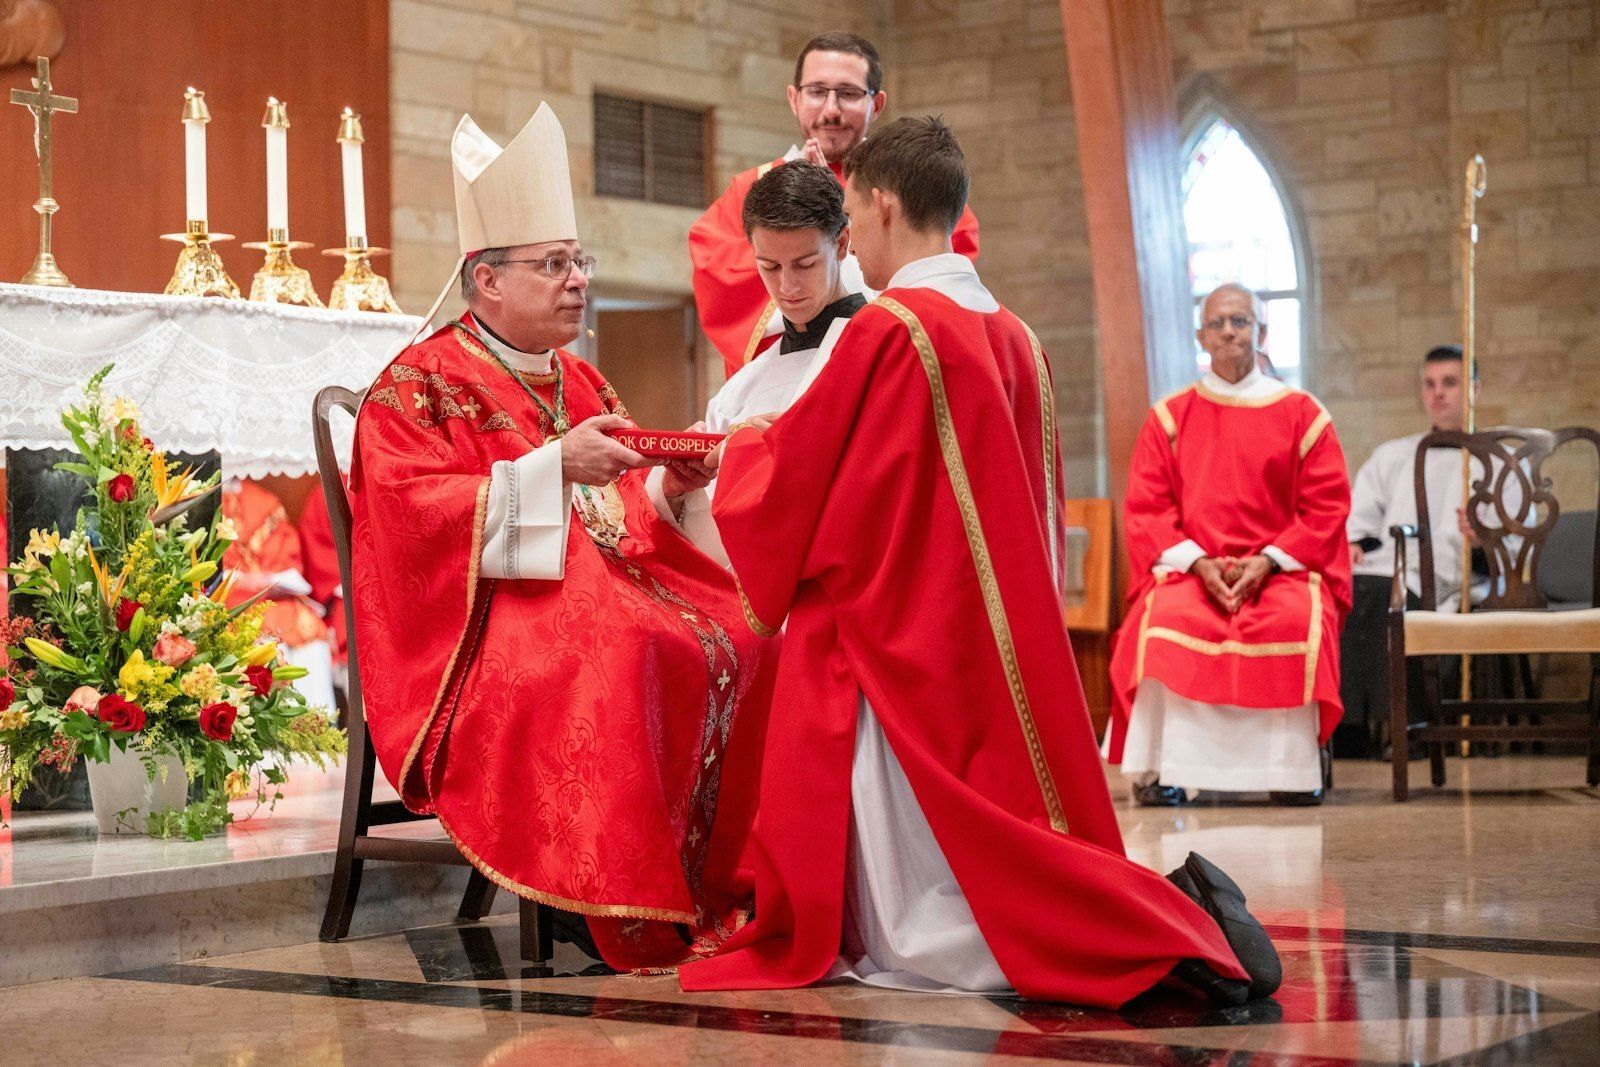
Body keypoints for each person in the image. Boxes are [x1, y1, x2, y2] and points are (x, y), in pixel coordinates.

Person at [679, 117, 1278, 1008]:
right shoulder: (1014, 333)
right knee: (1016, 838)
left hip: (901, 649)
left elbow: (802, 487)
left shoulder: (892, 329)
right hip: (994, 647)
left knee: (928, 923)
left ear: (880, 205)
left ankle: (1151, 932)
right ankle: (1158, 919)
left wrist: (732, 457)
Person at [348, 104, 775, 971]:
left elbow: (618, 514)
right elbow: (407, 520)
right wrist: (552, 466)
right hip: (486, 626)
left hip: (598, 585)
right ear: (486, 280)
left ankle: (710, 884)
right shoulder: (417, 384)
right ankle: (597, 892)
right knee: (620, 646)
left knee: (745, 630)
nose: (577, 279)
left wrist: (664, 480)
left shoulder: (581, 377)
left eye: (579, 261)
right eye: (553, 264)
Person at [1105, 283, 1353, 807]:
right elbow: (1147, 508)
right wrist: (1199, 564)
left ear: (1261, 332)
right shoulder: (1171, 417)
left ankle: (1289, 772)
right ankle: (1166, 771)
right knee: (1165, 620)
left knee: (1295, 619)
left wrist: (1268, 560)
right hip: (1197, 571)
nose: (1228, 332)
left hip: (1280, 571)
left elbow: (1327, 507)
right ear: (1201, 336)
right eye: (1217, 323)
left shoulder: (1304, 415)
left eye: (1240, 322)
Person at [689, 30, 979, 379]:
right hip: (779, 379)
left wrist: (835, 211)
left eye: (848, 94)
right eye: (816, 92)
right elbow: (717, 277)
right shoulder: (751, 190)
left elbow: (935, 294)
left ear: (877, 103)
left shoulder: (916, 184)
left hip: (886, 375)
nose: (831, 110)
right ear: (794, 98)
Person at [649, 159, 864, 565]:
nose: (787, 286)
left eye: (804, 264)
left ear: (841, 244)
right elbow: (714, 555)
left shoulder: (885, 351)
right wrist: (681, 488)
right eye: (769, 266)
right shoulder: (738, 392)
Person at [1339, 346, 1499, 757]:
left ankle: (1408, 725)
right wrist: (1355, 544)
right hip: (1391, 566)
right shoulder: (1394, 454)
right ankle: (1347, 729)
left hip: (1454, 576)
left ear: (1474, 390)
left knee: (1388, 598)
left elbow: (1515, 541)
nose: (1438, 394)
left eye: (1450, 383)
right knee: (1346, 592)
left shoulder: (1496, 459)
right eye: (1429, 384)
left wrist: (1482, 539)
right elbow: (1361, 521)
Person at [219, 478, 337, 714]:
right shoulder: (207, 502)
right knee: (267, 633)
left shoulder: (265, 502)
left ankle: (316, 724)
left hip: (273, 600)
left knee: (309, 630)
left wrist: (266, 579)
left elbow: (286, 559)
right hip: (228, 600)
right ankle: (275, 727)